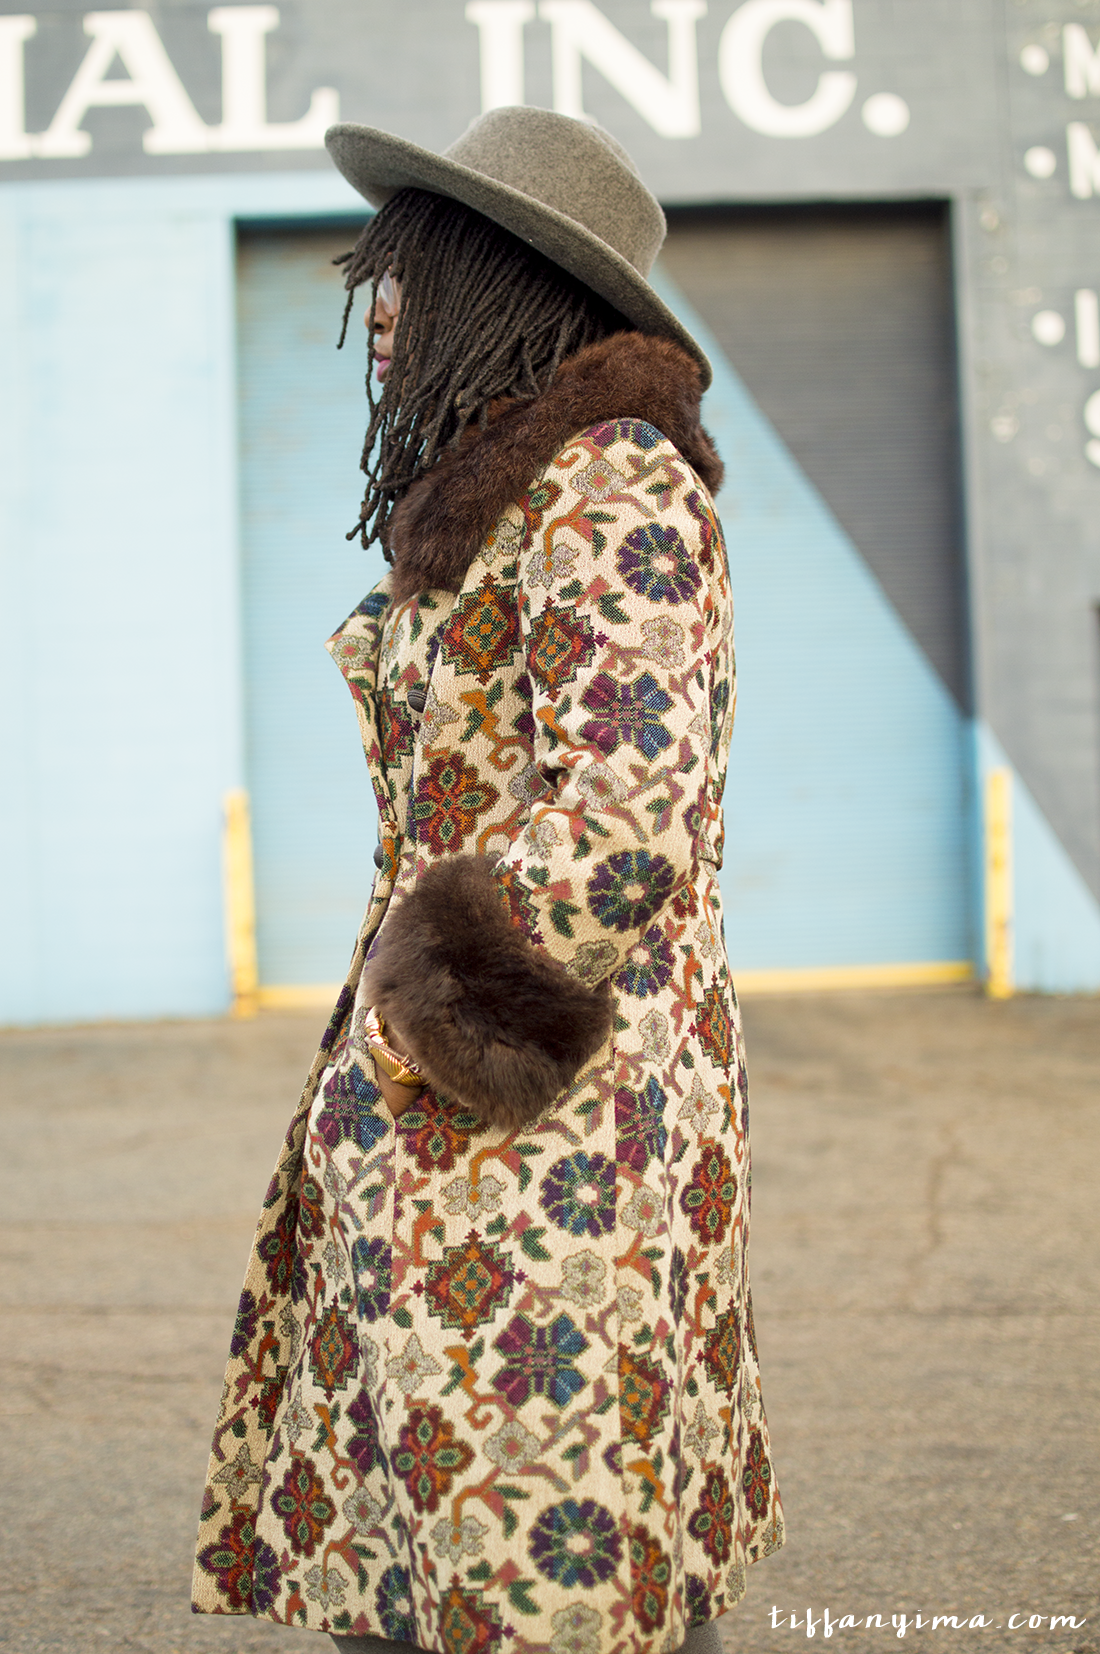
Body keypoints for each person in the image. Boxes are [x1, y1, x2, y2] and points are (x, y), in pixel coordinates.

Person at [191, 106, 783, 1653]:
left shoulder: (617, 491)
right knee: (453, 1559)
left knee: (548, 1569)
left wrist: (423, 1017)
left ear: (503, 281)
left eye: (409, 273)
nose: (377, 308)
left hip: (552, 1134)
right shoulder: (502, 494)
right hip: (466, 1135)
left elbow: (626, 825)